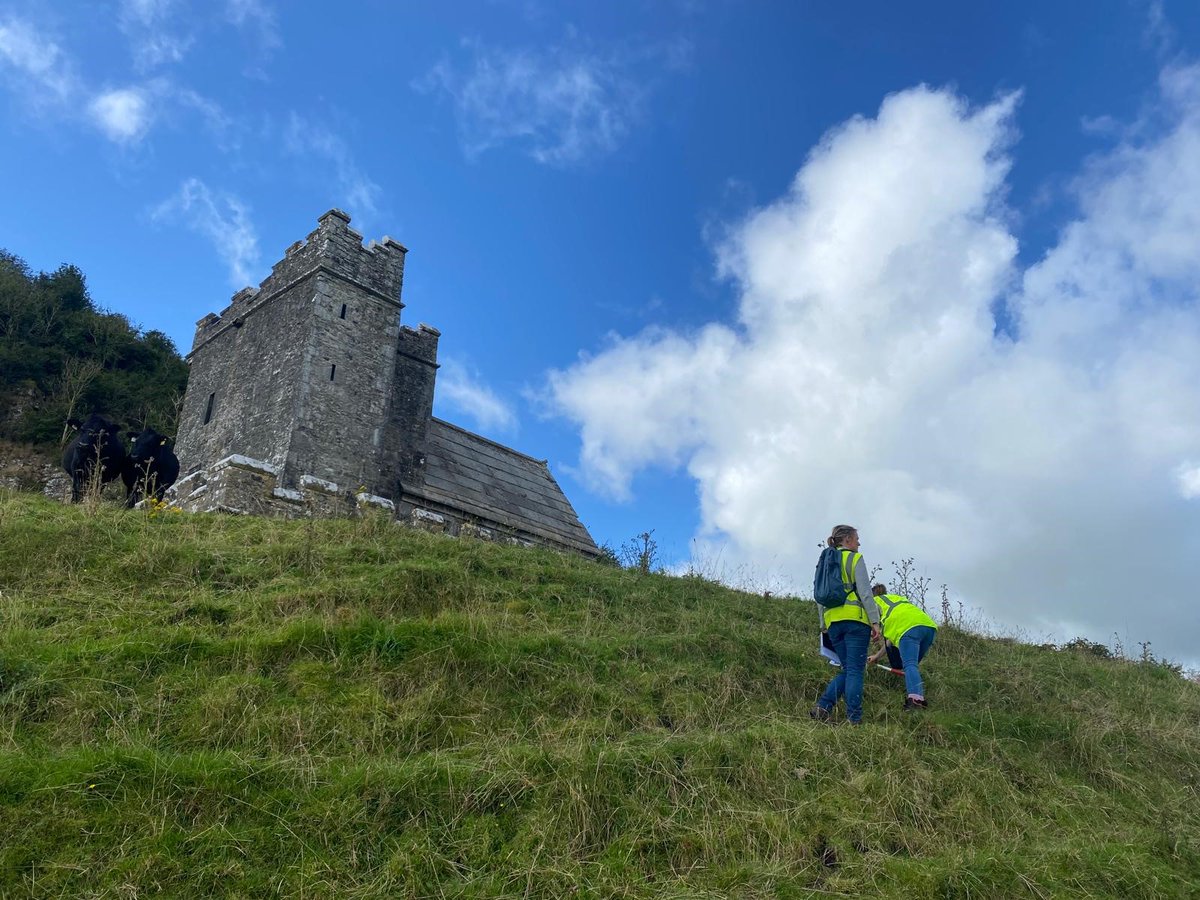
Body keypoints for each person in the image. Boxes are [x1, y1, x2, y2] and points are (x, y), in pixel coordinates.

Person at [810, 525, 882, 725]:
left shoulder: (825, 559)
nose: (859, 543)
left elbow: (819, 594)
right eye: (857, 539)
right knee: (855, 671)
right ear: (848, 540)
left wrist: (823, 622)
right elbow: (866, 593)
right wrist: (875, 621)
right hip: (855, 622)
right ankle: (854, 719)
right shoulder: (855, 558)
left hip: (833, 622)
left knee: (849, 668)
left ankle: (823, 706)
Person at [866, 583, 938, 710]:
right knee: (911, 666)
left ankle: (915, 701)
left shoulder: (873, 602)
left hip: (907, 629)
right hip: (928, 627)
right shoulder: (897, 598)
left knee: (909, 665)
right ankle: (916, 692)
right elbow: (890, 640)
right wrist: (877, 656)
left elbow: (879, 628)